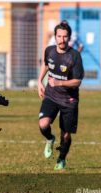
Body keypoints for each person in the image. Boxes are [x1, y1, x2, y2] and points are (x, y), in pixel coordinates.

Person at [37, 21, 84, 171]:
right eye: (59, 36)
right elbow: (46, 64)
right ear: (55, 37)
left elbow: (77, 81)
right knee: (43, 124)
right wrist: (39, 81)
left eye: (65, 37)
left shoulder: (75, 56)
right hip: (51, 95)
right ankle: (50, 139)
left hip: (69, 100)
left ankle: (61, 158)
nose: (62, 40)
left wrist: (59, 83)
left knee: (65, 135)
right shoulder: (49, 50)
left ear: (69, 38)